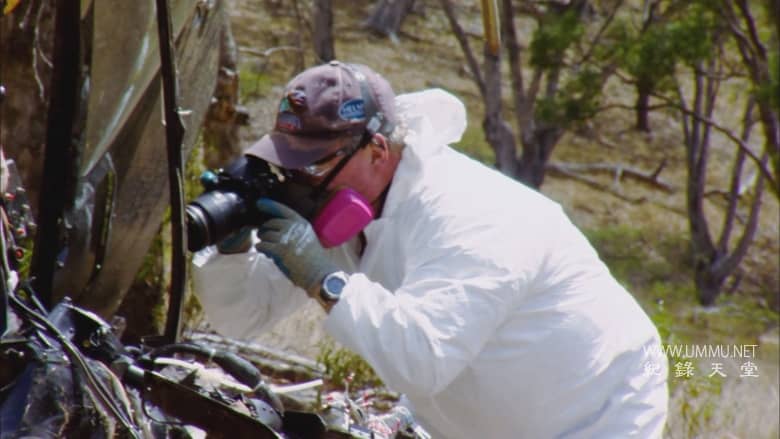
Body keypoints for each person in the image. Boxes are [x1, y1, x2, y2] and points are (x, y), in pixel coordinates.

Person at [192, 61, 669, 438]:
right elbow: (243, 317)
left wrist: (324, 279)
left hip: (597, 412)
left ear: (377, 150)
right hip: (474, 417)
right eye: (287, 161)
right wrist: (234, 250)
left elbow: (423, 360)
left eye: (311, 165)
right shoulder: (347, 200)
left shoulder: (473, 216)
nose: (298, 179)